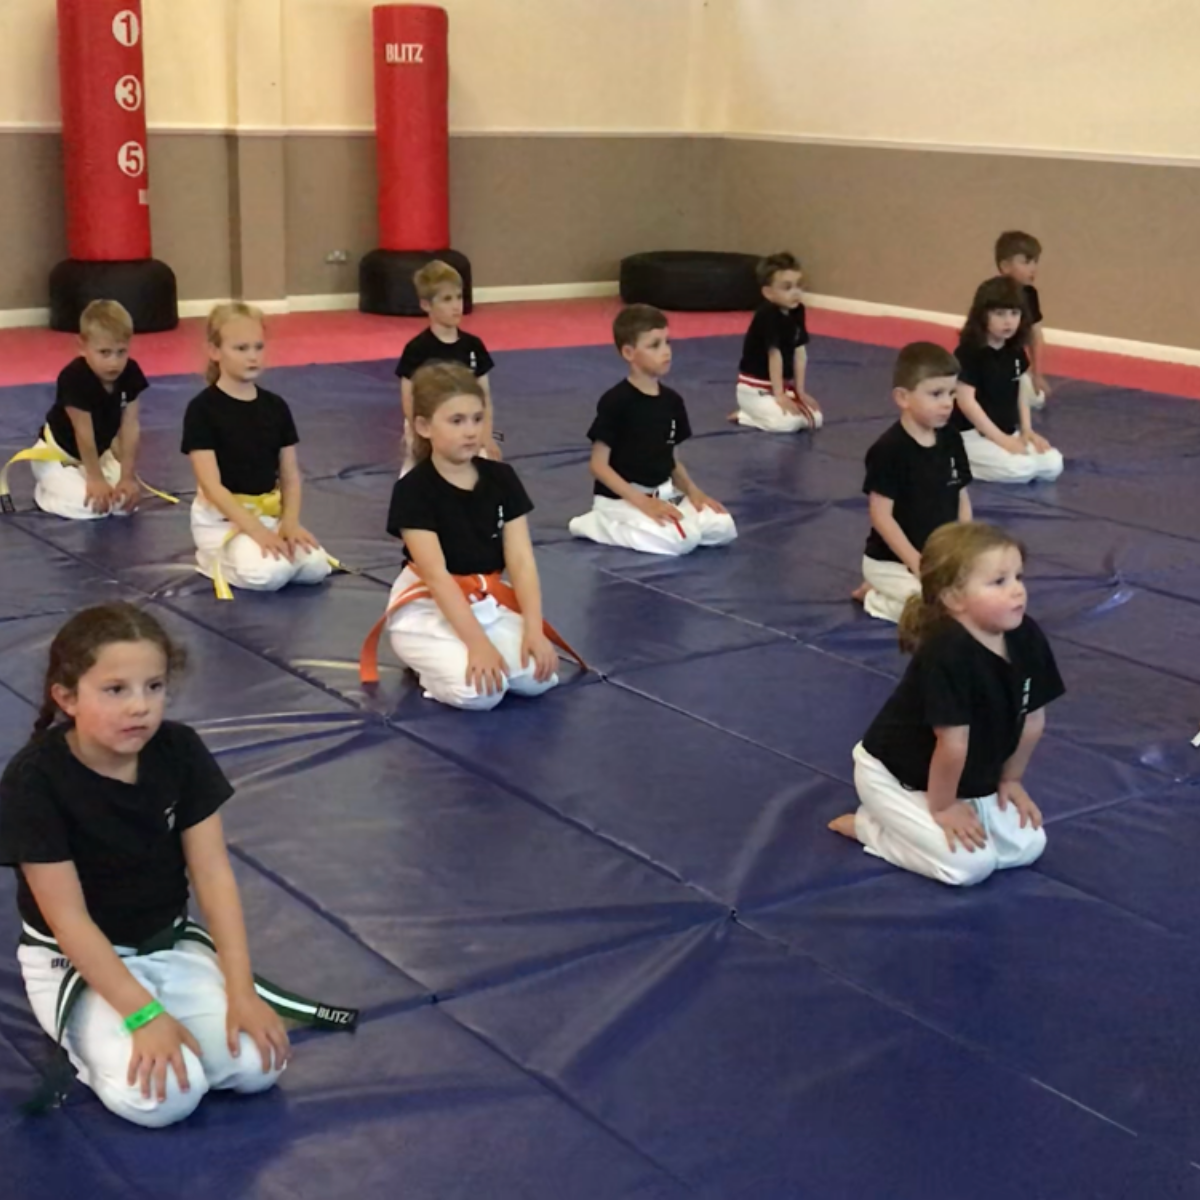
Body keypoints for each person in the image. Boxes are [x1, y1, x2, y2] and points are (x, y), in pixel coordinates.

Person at [0, 604, 357, 1127]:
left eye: (154, 687)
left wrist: (239, 988)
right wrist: (142, 1014)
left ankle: (169, 1021)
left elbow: (213, 876)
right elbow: (68, 919)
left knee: (257, 1062)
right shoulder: (36, 782)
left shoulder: (178, 750)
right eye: (115, 690)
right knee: (167, 1095)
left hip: (167, 942)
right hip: (76, 963)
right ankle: (91, 1050)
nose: (139, 707)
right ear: (67, 697)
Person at [830, 523, 1064, 887]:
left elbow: (1033, 718)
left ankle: (919, 821)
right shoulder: (947, 652)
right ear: (954, 598)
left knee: (1027, 845)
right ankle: (870, 827)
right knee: (970, 868)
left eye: (1018, 577)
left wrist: (1010, 779)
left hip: (965, 776)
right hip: (897, 776)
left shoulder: (1025, 635)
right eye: (998, 582)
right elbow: (951, 744)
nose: (1017, 589)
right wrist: (943, 807)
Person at [361, 362, 584, 711]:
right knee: (482, 693)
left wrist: (532, 628)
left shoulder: (501, 478)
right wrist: (477, 645)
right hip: (427, 607)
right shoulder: (414, 491)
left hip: (484, 602)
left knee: (536, 677)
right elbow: (436, 576)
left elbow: (522, 561)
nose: (470, 431)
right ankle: (429, 669)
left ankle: (468, 650)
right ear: (423, 426)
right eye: (456, 421)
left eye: (477, 419)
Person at [181, 303, 334, 599]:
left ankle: (256, 551)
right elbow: (212, 486)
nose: (252, 356)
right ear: (214, 351)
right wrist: (256, 531)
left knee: (316, 567)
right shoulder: (202, 410)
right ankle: (213, 558)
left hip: (268, 515)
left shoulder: (275, 407)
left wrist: (289, 522)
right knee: (270, 574)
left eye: (258, 347)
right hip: (222, 520)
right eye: (240, 348)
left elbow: (290, 475)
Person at [569, 304, 737, 555]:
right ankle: (598, 524)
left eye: (667, 342)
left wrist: (693, 492)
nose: (666, 352)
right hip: (622, 499)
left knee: (723, 526)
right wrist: (642, 503)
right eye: (654, 345)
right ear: (629, 352)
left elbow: (671, 459)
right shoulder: (617, 401)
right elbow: (598, 465)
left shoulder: (672, 401)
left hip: (665, 493)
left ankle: (674, 522)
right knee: (683, 540)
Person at [853, 342, 972, 623]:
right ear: (903, 398)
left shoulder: (952, 439)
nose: (947, 403)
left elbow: (961, 498)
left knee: (976, 602)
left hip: (939, 557)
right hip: (892, 561)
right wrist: (915, 563)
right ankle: (875, 596)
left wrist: (964, 548)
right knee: (938, 614)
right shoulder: (889, 449)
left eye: (952, 394)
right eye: (936, 394)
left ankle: (892, 591)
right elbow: (881, 517)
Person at [1, 301, 150, 519]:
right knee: (94, 508)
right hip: (57, 457)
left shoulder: (130, 372)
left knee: (123, 504)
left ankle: (77, 482)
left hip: (97, 456)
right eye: (104, 352)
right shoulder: (74, 378)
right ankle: (45, 493)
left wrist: (126, 477)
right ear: (82, 346)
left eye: (121, 352)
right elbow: (83, 432)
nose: (114, 362)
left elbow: (130, 426)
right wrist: (96, 478)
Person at [951, 277, 1063, 484]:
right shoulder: (969, 353)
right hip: (971, 434)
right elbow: (966, 403)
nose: (1008, 321)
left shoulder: (1014, 350)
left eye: (1015, 314)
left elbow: (1020, 389)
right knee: (1021, 469)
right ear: (982, 315)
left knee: (1052, 464)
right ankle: (958, 460)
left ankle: (1003, 451)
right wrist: (1001, 440)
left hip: (1007, 429)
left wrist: (1027, 430)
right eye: (1000, 314)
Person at [395, 261, 500, 474]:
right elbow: (409, 399)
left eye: (459, 297)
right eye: (447, 299)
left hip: (468, 424)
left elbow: (485, 396)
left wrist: (486, 435)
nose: (456, 306)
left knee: (485, 473)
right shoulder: (417, 349)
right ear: (426, 305)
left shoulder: (473, 346)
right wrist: (420, 434)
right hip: (427, 428)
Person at [731, 252, 822, 432]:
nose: (796, 292)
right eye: (787, 288)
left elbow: (799, 352)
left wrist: (800, 391)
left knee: (815, 419)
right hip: (755, 389)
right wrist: (779, 394)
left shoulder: (797, 311)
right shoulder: (766, 315)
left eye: (799, 286)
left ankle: (763, 411)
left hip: (781, 386)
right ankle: (746, 415)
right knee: (788, 424)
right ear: (768, 293)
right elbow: (775, 355)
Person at [995, 230, 1048, 409]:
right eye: (1026, 262)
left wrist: (1036, 374)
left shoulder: (1030, 295)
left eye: (1035, 262)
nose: (1033, 268)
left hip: (1015, 365)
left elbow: (1036, 336)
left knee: (1036, 398)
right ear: (1005, 266)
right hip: (990, 364)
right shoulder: (991, 294)